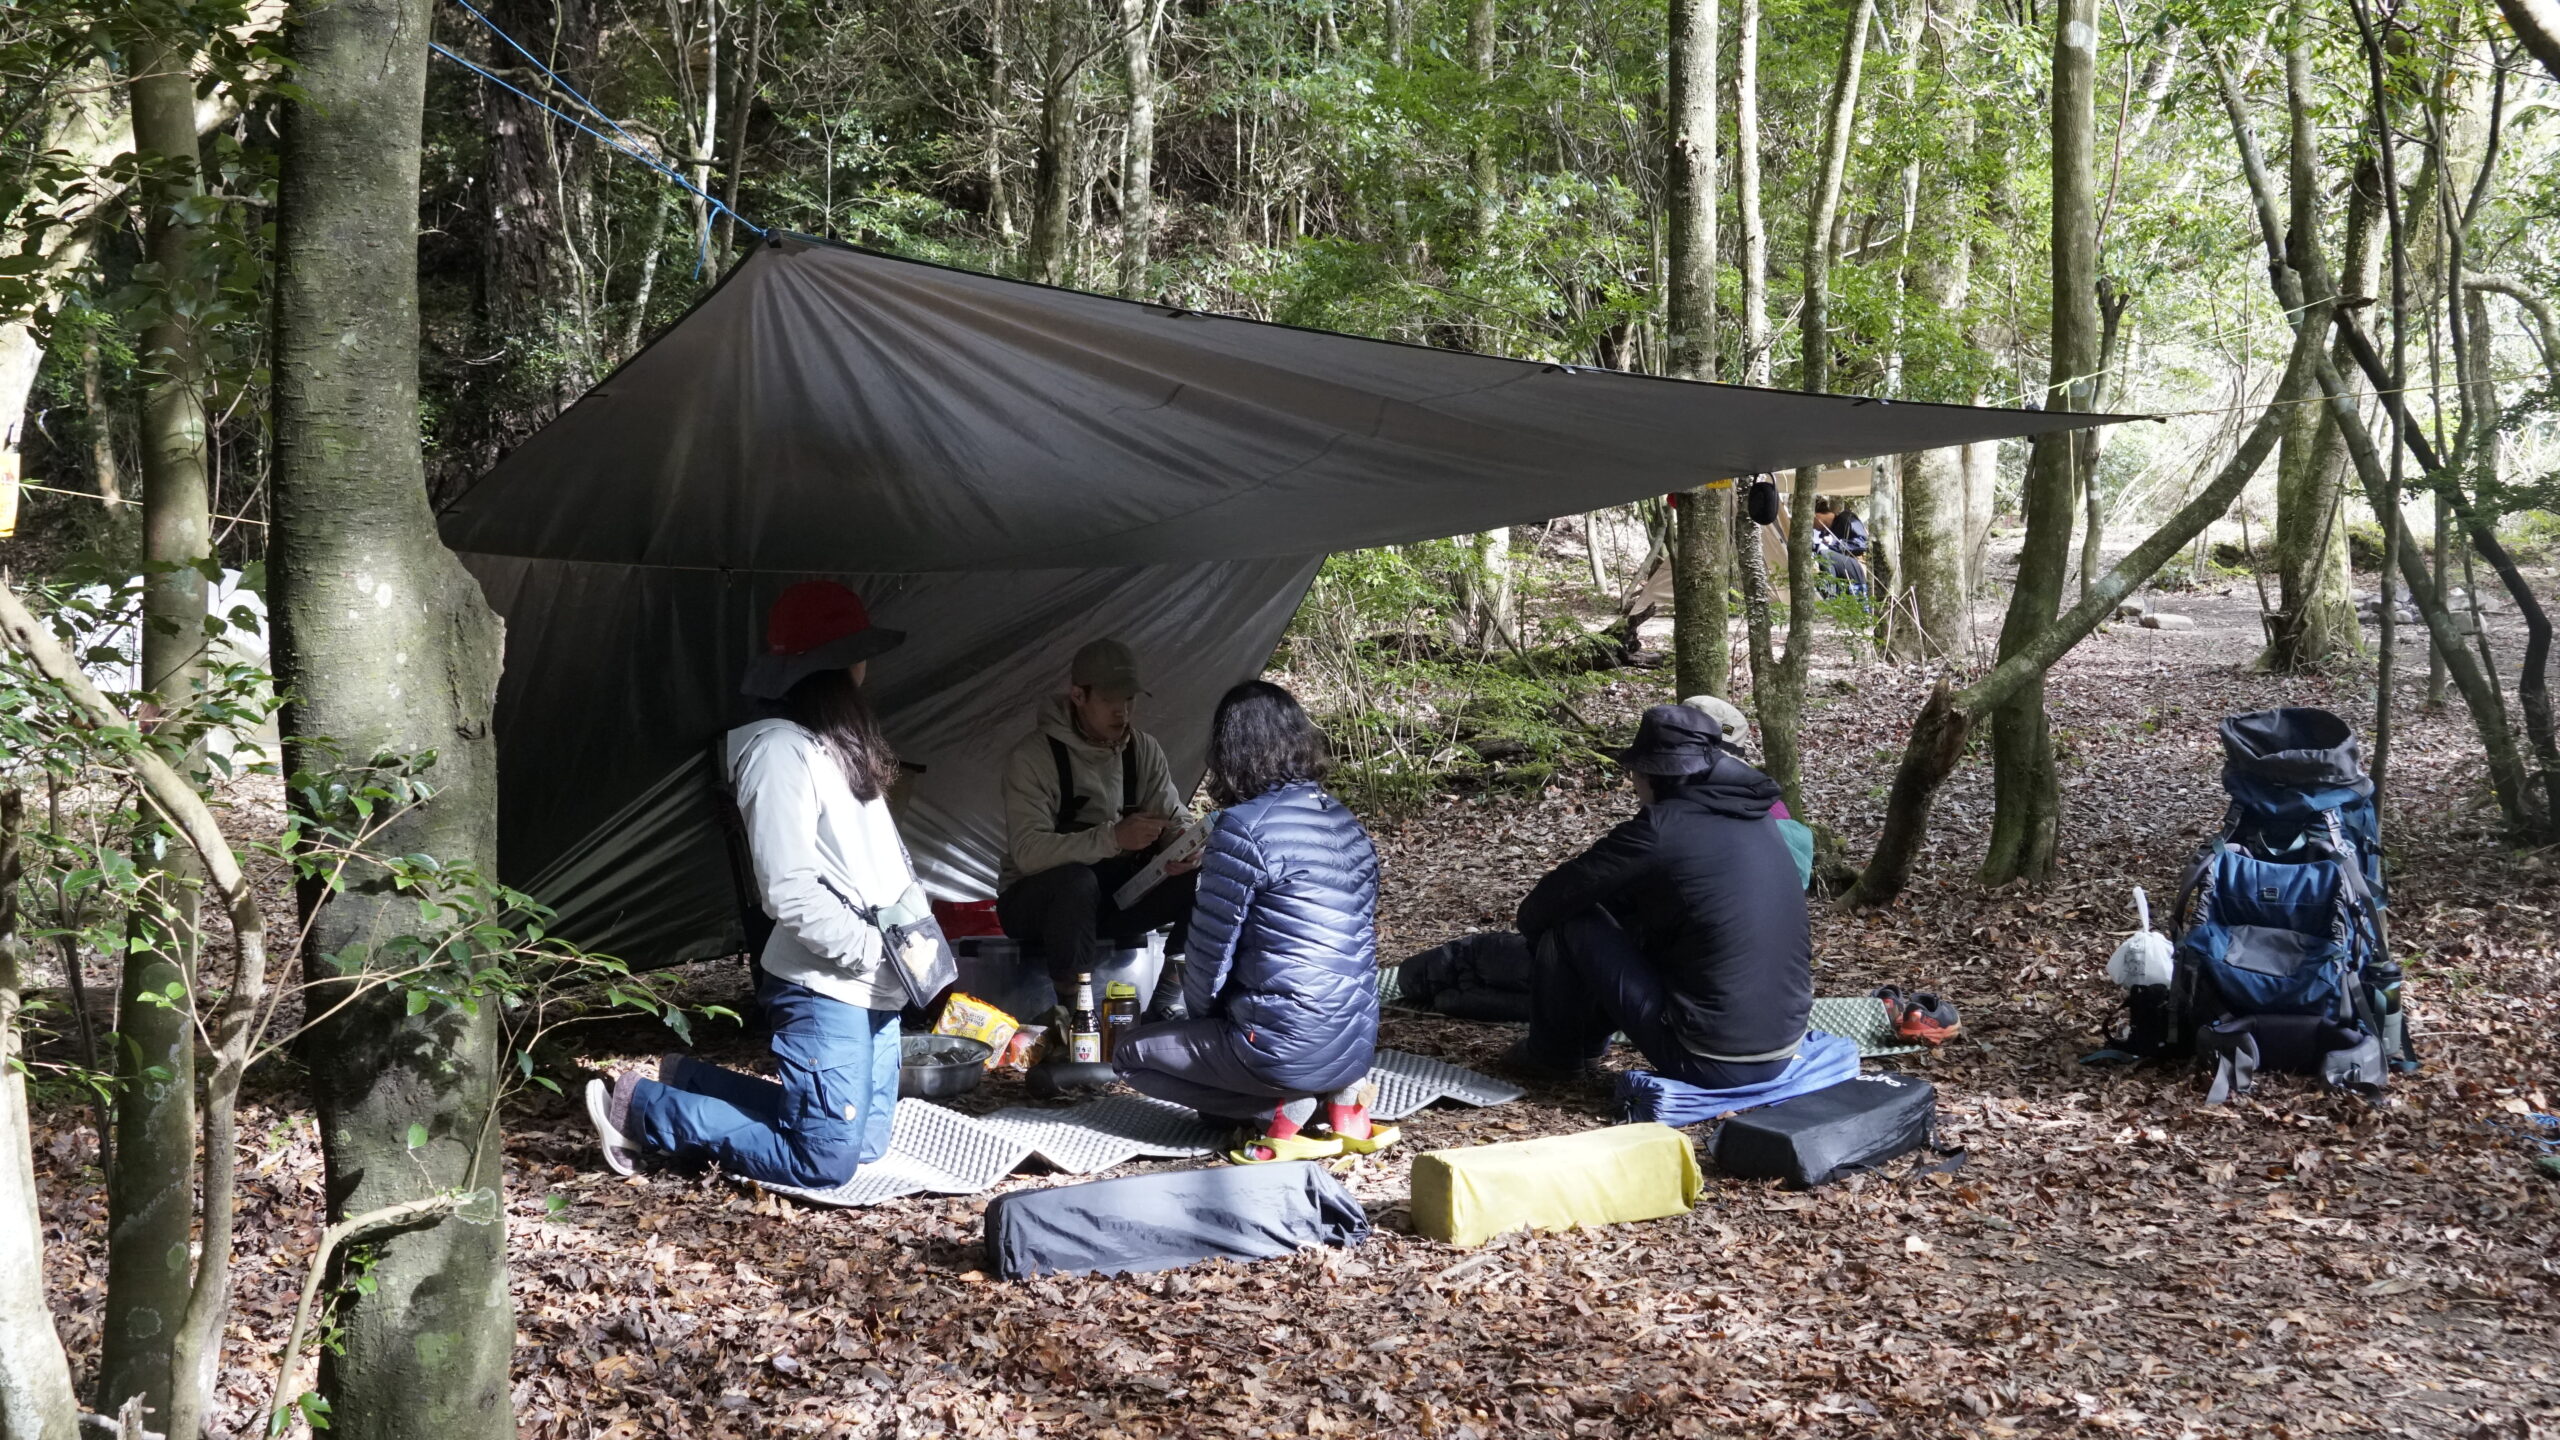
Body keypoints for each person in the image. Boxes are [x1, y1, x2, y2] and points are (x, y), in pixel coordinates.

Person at [582, 581, 912, 1188]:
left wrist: (909, 953)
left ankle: (692, 1081)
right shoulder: (778, 751)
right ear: (840, 664)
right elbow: (788, 891)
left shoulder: (838, 747)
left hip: (877, 978)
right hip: (827, 981)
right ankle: (640, 1108)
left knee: (863, 1143)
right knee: (824, 1162)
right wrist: (873, 952)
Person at [1113, 681, 1393, 1161]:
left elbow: (1208, 958)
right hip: (1355, 1044)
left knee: (1130, 1057)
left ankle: (1277, 1104)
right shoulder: (1346, 821)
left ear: (1230, 751)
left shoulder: (1241, 828)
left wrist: (1200, 1021)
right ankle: (1335, 1100)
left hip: (1280, 1046)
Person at [1509, 703, 1813, 1089]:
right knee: (1625, 919)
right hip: (1781, 1049)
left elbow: (1543, 906)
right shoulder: (1759, 818)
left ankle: (1552, 1059)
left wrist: (1546, 954)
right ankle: (1582, 1043)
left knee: (1569, 921)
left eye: (1634, 772)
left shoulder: (1659, 830)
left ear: (1653, 772)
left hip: (1709, 1060)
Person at [996, 638, 1199, 1011]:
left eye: (1129, 700)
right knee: (1075, 883)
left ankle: (1166, 1006)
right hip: (1038, 903)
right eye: (1109, 700)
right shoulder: (1032, 757)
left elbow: (1173, 817)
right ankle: (1073, 1018)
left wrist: (1185, 843)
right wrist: (1112, 837)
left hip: (1115, 900)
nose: (1122, 712)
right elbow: (1027, 852)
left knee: (1205, 880)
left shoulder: (1144, 750)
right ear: (1077, 695)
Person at [1812, 497, 1870, 595]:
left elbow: (1862, 544)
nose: (1813, 527)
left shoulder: (1846, 518)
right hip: (1843, 571)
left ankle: (1829, 593)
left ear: (1817, 515)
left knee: (1824, 553)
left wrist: (1835, 543)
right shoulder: (1825, 534)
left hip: (1858, 566)